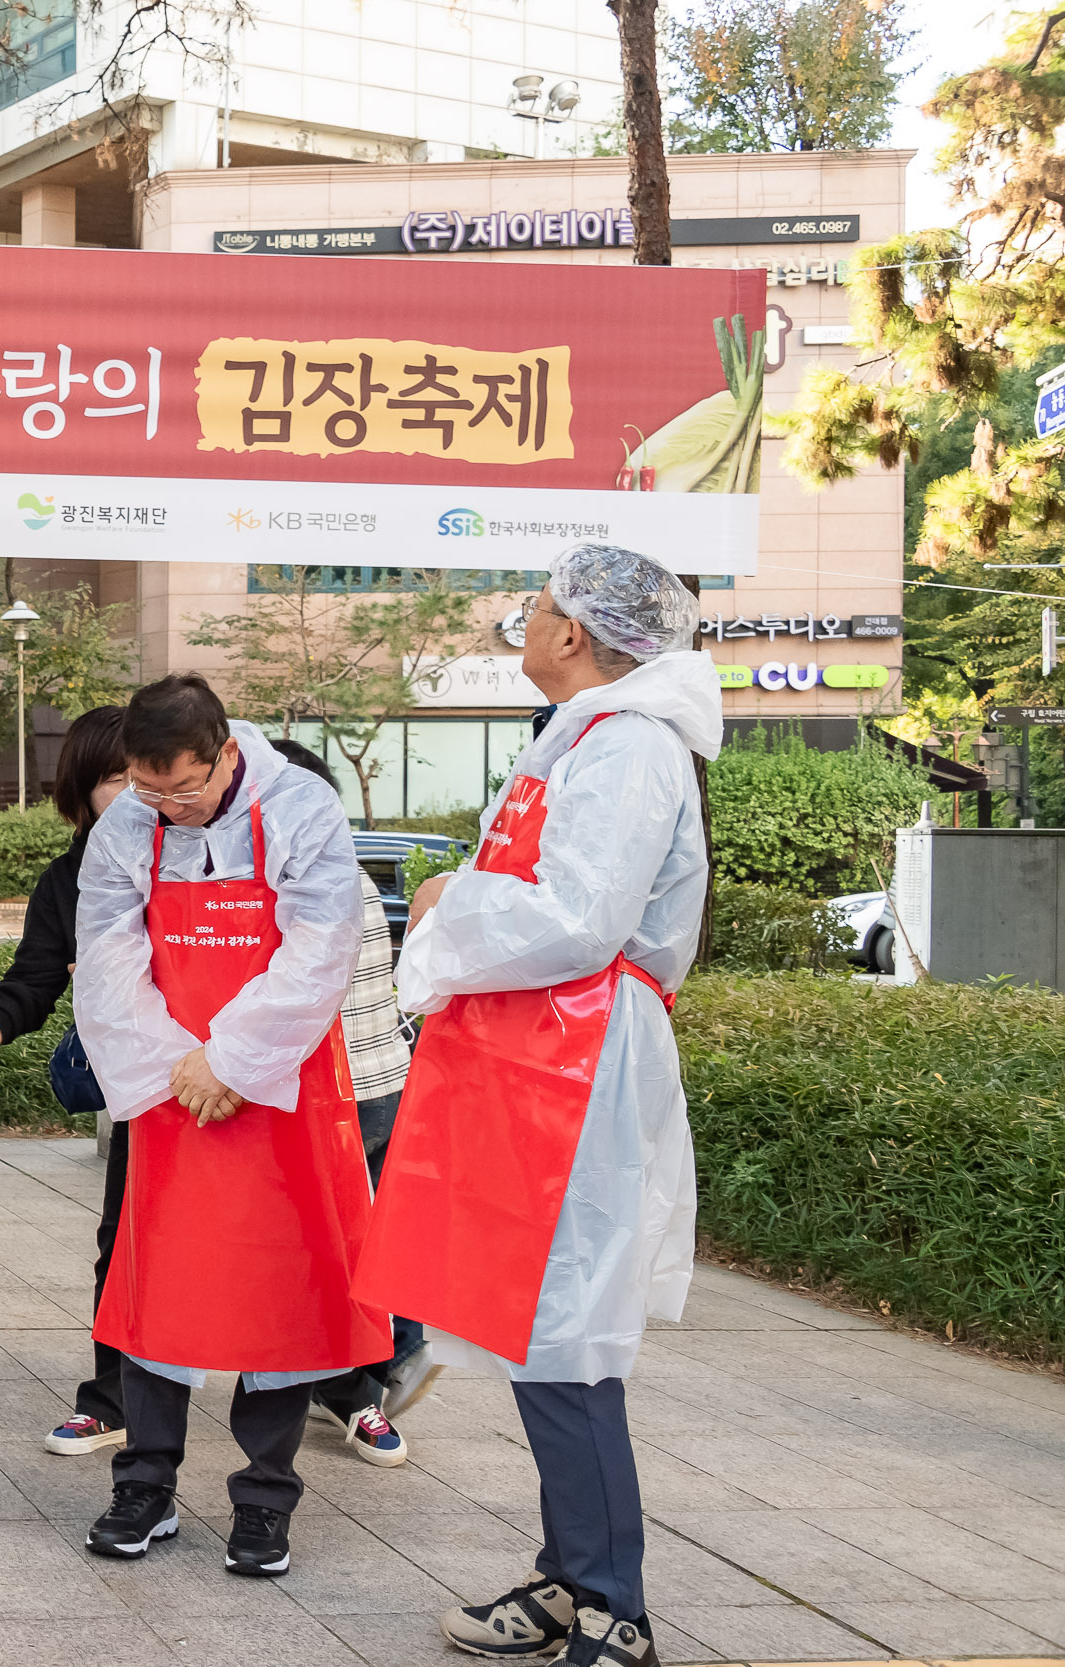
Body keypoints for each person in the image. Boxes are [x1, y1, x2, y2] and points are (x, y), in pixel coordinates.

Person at [354, 542, 716, 1667]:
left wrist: (445, 901)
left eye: (535, 609)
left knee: (564, 1332)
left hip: (578, 1058)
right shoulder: (588, 737)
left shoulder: (629, 748)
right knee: (532, 1322)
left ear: (572, 633)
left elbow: (578, 915)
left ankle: (614, 1606)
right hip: (535, 1053)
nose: (524, 623)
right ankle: (571, 1573)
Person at [73, 675, 388, 1577]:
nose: (168, 806)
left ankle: (265, 1497)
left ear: (224, 751)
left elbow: (324, 943)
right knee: (158, 1284)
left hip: (279, 1089)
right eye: (149, 789)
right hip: (173, 1086)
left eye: (185, 788)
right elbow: (108, 950)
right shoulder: (130, 823)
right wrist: (177, 1061)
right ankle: (146, 1481)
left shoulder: (298, 806)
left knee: (279, 1288)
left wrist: (237, 1059)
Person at [0, 707, 137, 1457]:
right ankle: (113, 1400)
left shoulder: (196, 858)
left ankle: (344, 1385)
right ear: (80, 792)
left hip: (229, 1082)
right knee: (125, 1244)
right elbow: (30, 985)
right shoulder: (69, 880)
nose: (137, 790)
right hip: (147, 1096)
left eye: (145, 772)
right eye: (116, 778)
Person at [266, 739, 429, 1468]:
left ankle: (358, 1385)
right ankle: (383, 1364)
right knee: (372, 1244)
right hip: (385, 1078)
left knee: (328, 1254)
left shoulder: (302, 883)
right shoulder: (351, 873)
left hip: (340, 1096)